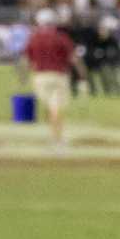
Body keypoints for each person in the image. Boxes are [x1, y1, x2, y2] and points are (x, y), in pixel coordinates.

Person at [22, 8, 81, 147]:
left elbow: (26, 60)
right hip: (58, 76)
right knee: (56, 108)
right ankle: (57, 138)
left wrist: (23, 77)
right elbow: (73, 58)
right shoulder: (61, 37)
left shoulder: (34, 37)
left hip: (40, 76)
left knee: (50, 106)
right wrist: (82, 75)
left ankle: (54, 134)